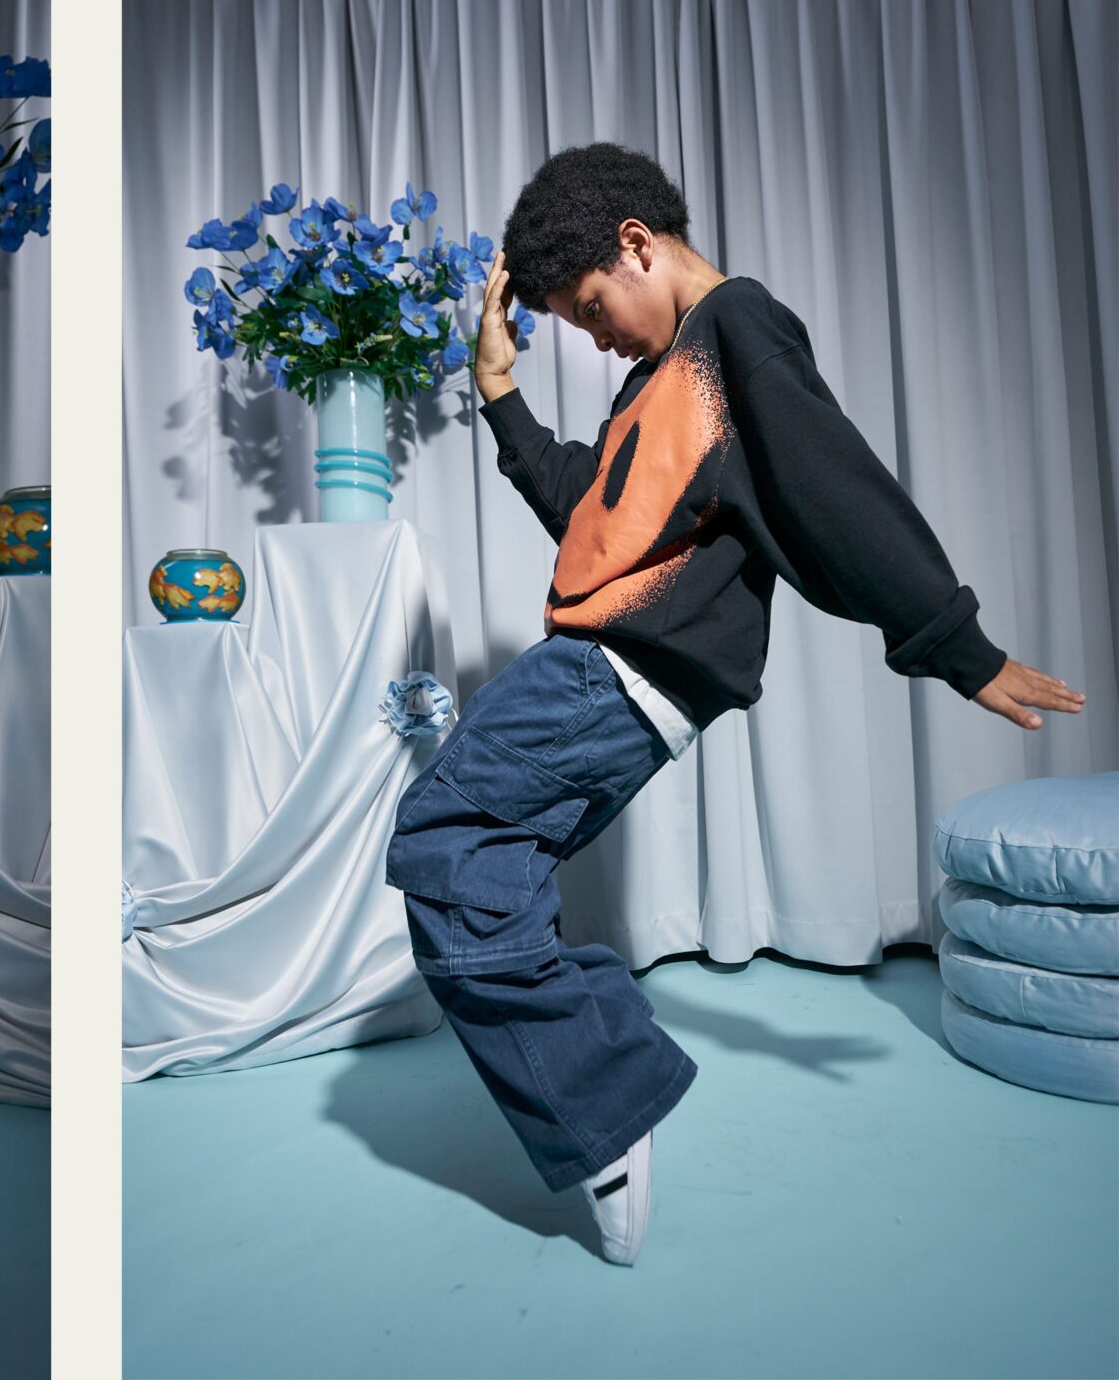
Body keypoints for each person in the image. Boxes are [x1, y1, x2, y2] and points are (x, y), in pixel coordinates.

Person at [385, 143, 1087, 1265]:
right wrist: (499, 391)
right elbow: (590, 517)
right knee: (482, 863)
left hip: (608, 670)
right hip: (609, 668)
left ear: (636, 244)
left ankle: (608, 1107)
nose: (596, 334)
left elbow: (834, 492)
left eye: (589, 308)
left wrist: (960, 647)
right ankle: (605, 1069)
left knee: (443, 835)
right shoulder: (660, 377)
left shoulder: (735, 332)